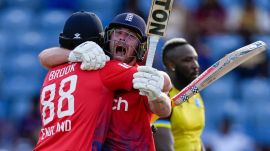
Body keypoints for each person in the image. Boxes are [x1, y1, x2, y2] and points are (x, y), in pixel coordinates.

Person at [38, 12, 172, 151]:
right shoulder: (98, 68)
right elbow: (43, 57)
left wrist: (157, 93)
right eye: (118, 33)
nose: (122, 38)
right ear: (107, 38)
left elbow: (164, 109)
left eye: (130, 36)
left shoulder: (55, 71)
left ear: (141, 46)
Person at [153, 38, 205, 151]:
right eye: (188, 60)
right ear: (171, 65)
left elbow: (195, 137)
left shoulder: (196, 95)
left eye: (195, 59)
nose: (195, 65)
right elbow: (163, 148)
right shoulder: (162, 99)